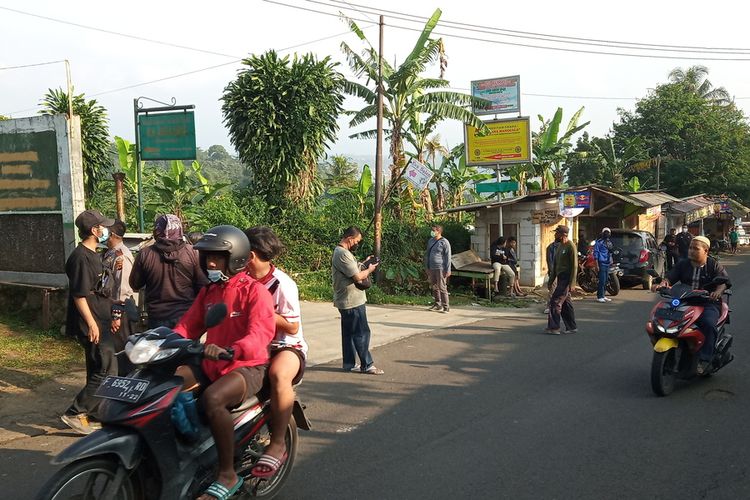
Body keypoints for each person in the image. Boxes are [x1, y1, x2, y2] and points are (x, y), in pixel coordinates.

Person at [173, 225, 276, 500]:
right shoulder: (209, 293)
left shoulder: (255, 292)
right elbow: (187, 326)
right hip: (213, 363)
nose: (210, 263)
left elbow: (260, 334)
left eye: (217, 257)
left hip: (247, 366)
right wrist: (159, 341)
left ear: (237, 258)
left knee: (213, 398)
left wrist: (233, 349)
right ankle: (191, 443)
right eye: (207, 257)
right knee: (168, 382)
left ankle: (227, 474)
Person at [243, 226, 308, 478]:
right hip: (252, 344)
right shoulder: (241, 279)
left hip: (285, 346)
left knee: (279, 375)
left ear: (250, 254)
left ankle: (278, 442)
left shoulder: (282, 283)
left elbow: (292, 327)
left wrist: (263, 311)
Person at [61, 209, 117, 435]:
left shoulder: (93, 254)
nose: (106, 230)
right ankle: (75, 412)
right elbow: (79, 295)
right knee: (104, 370)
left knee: (99, 368)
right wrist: (92, 323)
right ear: (95, 230)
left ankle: (91, 416)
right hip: (92, 322)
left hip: (101, 319)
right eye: (103, 226)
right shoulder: (81, 257)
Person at [654, 236, 730, 375]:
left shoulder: (713, 265)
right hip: (685, 300)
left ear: (706, 250)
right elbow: (669, 278)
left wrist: (718, 292)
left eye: (696, 248)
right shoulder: (683, 264)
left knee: (708, 324)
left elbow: (724, 282)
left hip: (707, 303)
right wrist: (662, 284)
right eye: (690, 247)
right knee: (664, 316)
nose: (691, 251)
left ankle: (705, 359)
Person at [130, 214, 209, 329]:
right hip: (186, 318)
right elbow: (203, 287)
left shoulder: (145, 254)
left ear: (157, 231)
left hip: (156, 318)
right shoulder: (193, 253)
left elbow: (135, 284)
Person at [331, 226, 383, 374]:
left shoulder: (342, 253)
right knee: (361, 332)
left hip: (346, 300)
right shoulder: (342, 253)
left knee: (348, 334)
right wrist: (370, 270)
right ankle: (367, 364)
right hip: (351, 300)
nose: (357, 244)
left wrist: (365, 263)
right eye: (357, 241)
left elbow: (353, 269)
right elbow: (358, 277)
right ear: (350, 239)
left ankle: (349, 364)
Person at [102, 220, 137, 374]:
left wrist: (116, 314)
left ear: (113, 235)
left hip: (121, 312)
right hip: (111, 309)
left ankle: (126, 381)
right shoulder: (110, 253)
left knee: (123, 349)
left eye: (105, 231)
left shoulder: (121, 256)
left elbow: (124, 288)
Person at [546, 225, 578, 335]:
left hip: (566, 277)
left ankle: (554, 328)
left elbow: (574, 266)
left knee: (555, 301)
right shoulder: (559, 247)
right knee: (566, 303)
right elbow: (555, 266)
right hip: (560, 277)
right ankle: (571, 327)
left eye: (557, 233)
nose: (555, 235)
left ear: (563, 235)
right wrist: (551, 281)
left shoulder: (570, 246)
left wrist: (572, 283)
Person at [424, 224, 452, 312]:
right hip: (431, 267)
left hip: (440, 268)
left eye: (434, 230)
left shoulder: (444, 242)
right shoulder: (430, 241)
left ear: (438, 231)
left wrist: (447, 270)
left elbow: (448, 257)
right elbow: (428, 254)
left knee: (442, 286)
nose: (432, 232)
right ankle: (437, 304)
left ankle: (446, 306)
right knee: (434, 286)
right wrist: (427, 267)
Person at [593, 228, 614, 303]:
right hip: (601, 263)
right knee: (602, 280)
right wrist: (596, 265)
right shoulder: (599, 242)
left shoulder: (609, 242)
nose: (607, 234)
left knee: (606, 280)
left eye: (608, 232)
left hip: (607, 263)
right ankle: (599, 296)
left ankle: (603, 295)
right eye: (605, 232)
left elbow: (611, 252)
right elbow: (596, 253)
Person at [543, 238, 560, 315]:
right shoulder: (551, 247)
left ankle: (559, 306)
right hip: (555, 271)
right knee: (553, 288)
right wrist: (552, 272)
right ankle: (549, 306)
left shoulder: (567, 247)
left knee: (564, 291)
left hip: (563, 271)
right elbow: (549, 261)